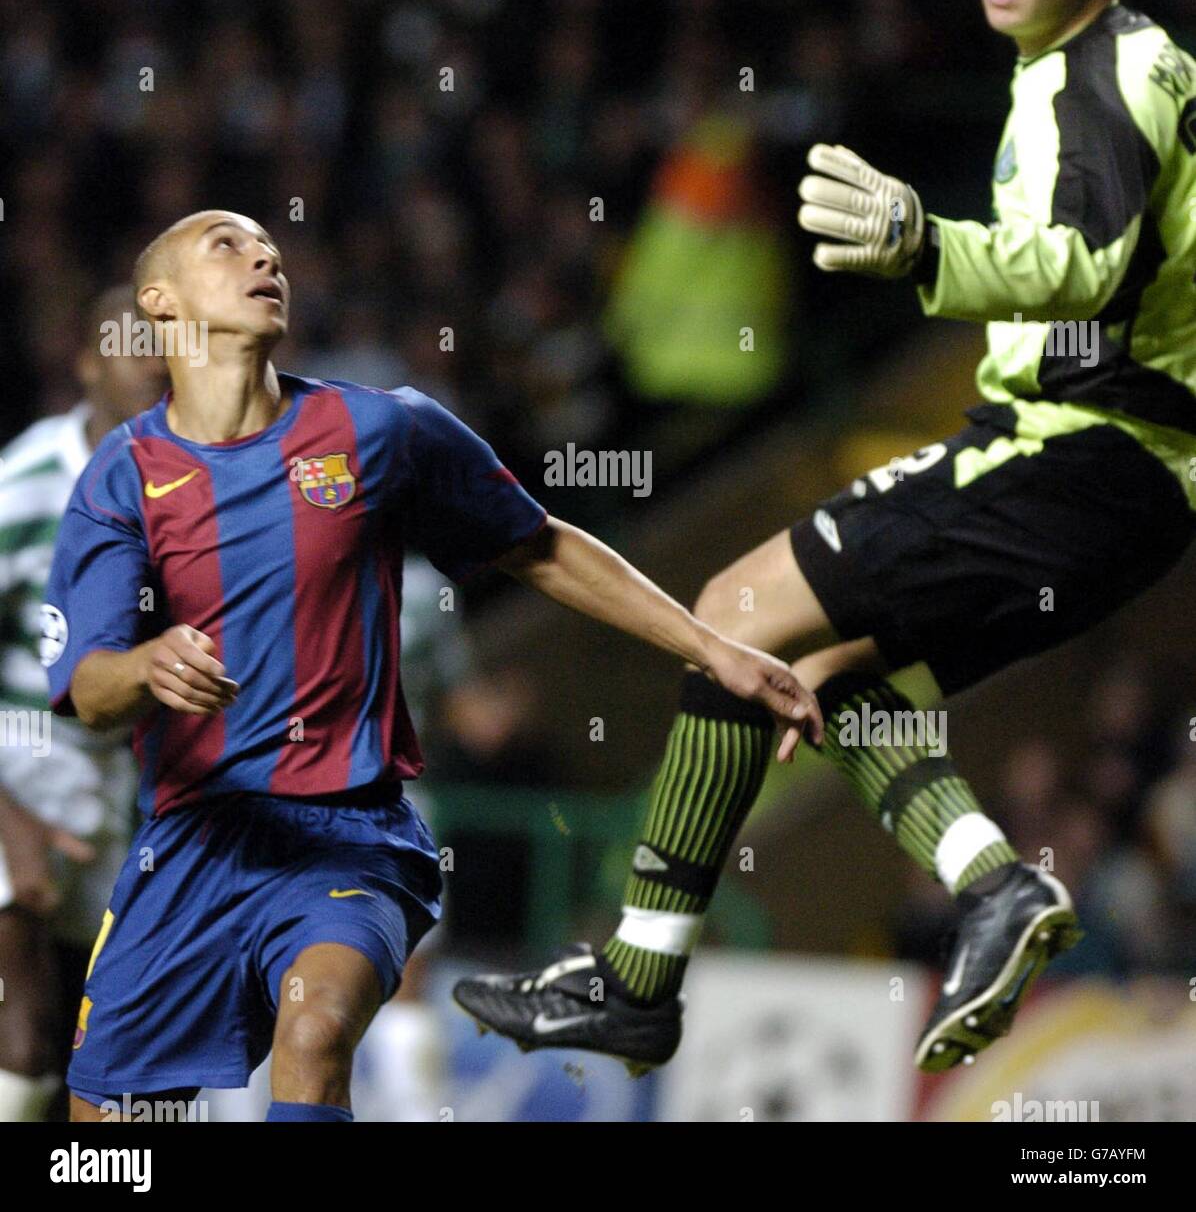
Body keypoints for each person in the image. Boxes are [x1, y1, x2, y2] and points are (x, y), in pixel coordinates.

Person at [453, 0, 1196, 1074]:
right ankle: (993, 885)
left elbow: (1090, 261)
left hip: (1078, 448)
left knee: (730, 615)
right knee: (825, 677)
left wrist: (925, 248)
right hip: (1125, 486)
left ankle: (638, 978)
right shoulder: (1072, 76)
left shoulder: (1109, 69)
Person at [44, 209, 821, 1122]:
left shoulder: (379, 431)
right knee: (103, 1139)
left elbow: (540, 546)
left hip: (348, 837)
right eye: (227, 243)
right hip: (190, 845)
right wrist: (146, 667)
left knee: (315, 1028)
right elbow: (86, 692)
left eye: (271, 247)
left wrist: (712, 646)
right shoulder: (121, 476)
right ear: (159, 301)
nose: (264, 255)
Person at [0, 287, 167, 1121]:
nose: (151, 353)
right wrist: (15, 824)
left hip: (119, 789)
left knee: (93, 1064)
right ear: (86, 363)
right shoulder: (25, 485)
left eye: (167, 339)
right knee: (21, 1046)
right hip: (16, 765)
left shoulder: (191, 492)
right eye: (129, 338)